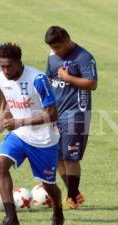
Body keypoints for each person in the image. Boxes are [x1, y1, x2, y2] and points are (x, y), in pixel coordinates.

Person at [0, 43, 64, 225]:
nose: (5, 70)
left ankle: (58, 212)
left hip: (44, 139)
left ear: (19, 63)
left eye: (9, 66)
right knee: (0, 164)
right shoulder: (1, 77)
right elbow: (7, 102)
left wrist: (19, 121)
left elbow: (53, 114)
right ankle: (11, 220)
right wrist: (1, 119)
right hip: (20, 136)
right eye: (2, 66)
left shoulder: (38, 79)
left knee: (48, 185)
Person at [45, 26, 98, 209]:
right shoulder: (52, 57)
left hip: (76, 113)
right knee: (57, 156)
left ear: (68, 40)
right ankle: (74, 193)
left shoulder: (83, 57)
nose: (56, 51)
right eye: (53, 48)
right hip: (56, 113)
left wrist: (68, 78)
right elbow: (49, 79)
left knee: (70, 156)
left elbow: (92, 83)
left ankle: (71, 198)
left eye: (58, 47)